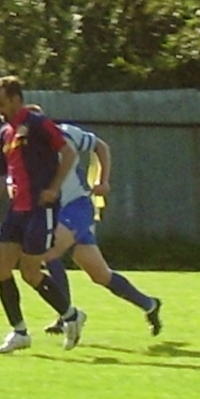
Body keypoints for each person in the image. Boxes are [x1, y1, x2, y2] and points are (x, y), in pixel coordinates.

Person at [0, 76, 87, 353]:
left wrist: (53, 188)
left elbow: (69, 153)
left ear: (15, 99)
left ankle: (71, 315)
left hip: (40, 209)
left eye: (1, 103)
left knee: (30, 271)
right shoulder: (5, 134)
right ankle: (20, 332)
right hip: (16, 211)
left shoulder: (37, 123)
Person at [25, 105, 163, 337]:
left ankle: (66, 316)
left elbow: (101, 146)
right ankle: (149, 304)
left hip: (78, 207)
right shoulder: (25, 150)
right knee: (101, 275)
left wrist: (103, 180)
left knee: (48, 253)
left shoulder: (66, 133)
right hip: (58, 213)